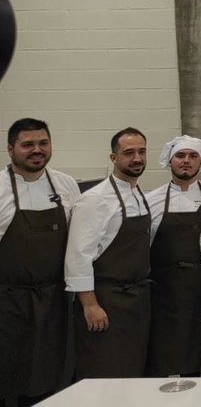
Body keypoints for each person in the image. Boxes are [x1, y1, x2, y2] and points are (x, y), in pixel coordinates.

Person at [1, 119, 80, 407]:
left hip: (55, 301)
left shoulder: (66, 185)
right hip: (8, 303)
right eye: (28, 144)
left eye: (43, 143)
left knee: (49, 377)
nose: (37, 150)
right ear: (11, 149)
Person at [65, 128, 153, 379]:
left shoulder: (139, 194)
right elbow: (78, 256)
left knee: (132, 370)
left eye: (142, 151)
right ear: (113, 157)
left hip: (136, 301)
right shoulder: (95, 200)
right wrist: (90, 304)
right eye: (128, 153)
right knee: (103, 371)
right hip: (106, 301)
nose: (137, 158)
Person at [145, 135, 201, 377]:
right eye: (180, 155)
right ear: (169, 160)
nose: (186, 161)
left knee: (199, 346)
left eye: (193, 156)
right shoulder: (151, 200)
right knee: (165, 349)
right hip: (164, 290)